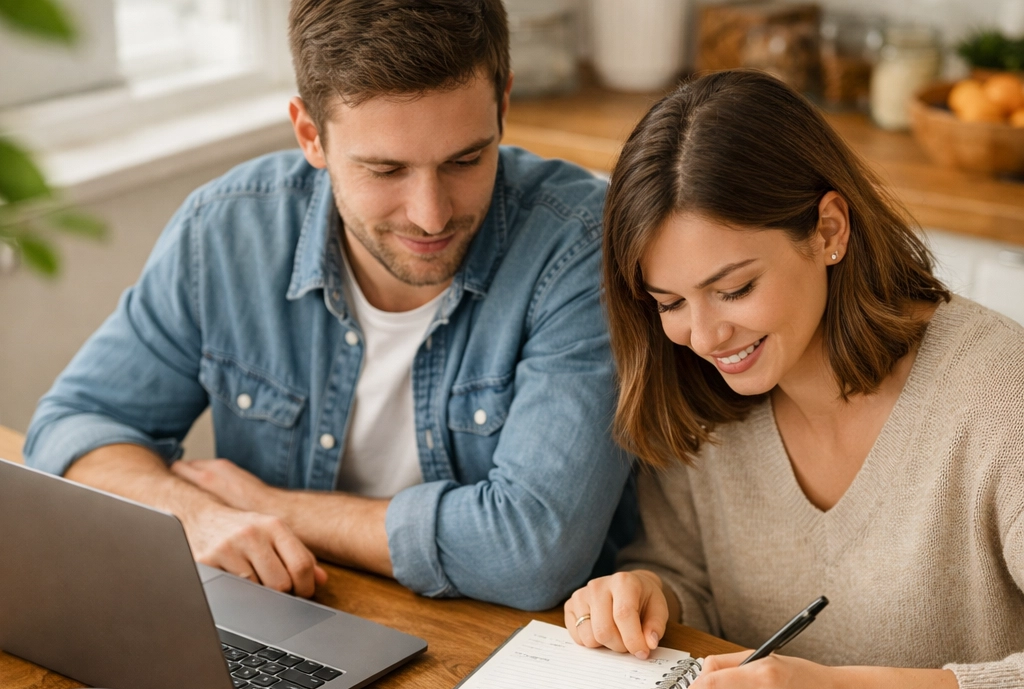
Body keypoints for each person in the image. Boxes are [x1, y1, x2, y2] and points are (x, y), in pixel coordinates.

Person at [25, 0, 632, 611]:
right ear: (310, 134)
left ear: (502, 104)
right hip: (294, 616)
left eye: (465, 160)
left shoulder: (580, 249)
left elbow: (532, 554)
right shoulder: (227, 231)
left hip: (511, 654)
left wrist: (270, 507)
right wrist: (195, 515)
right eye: (385, 169)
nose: (431, 214)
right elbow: (74, 427)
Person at [564, 70, 1024, 689]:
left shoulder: (996, 393)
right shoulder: (707, 398)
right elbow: (688, 573)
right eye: (669, 303)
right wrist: (646, 592)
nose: (705, 335)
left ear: (828, 230)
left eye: (735, 288)